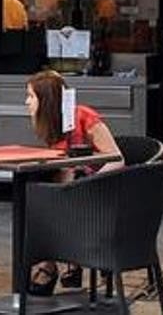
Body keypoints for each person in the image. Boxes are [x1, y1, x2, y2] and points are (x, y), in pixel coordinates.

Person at [23, 70, 124, 294]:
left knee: (46, 203)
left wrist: (86, 177)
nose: (27, 102)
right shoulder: (51, 125)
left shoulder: (84, 116)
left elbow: (117, 158)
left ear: (46, 99)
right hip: (68, 191)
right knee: (36, 197)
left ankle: (51, 264)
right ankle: (61, 261)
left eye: (31, 96)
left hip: (98, 191)